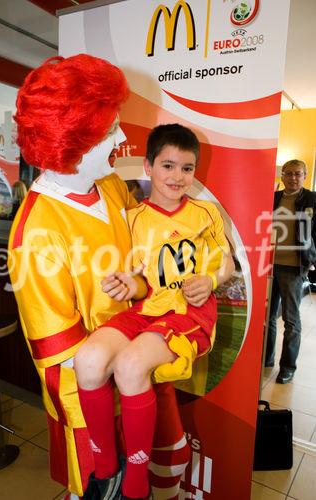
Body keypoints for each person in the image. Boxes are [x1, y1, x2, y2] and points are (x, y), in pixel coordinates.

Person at [7, 55, 197, 500]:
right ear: (73, 140)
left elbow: (146, 254)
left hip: (142, 360)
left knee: (167, 461)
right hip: (97, 398)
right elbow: (59, 351)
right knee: (103, 487)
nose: (122, 137)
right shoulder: (35, 231)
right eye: (110, 129)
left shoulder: (111, 185)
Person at [75, 124, 235, 500]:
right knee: (89, 358)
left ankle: (134, 488)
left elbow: (226, 264)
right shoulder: (132, 219)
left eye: (187, 168)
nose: (177, 177)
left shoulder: (205, 213)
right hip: (147, 310)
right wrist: (131, 286)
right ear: (148, 167)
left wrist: (211, 281)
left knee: (131, 366)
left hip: (189, 314)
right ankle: (105, 473)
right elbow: (141, 281)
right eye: (168, 166)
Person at [265, 159, 316, 383]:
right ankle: (266, 359)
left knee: (291, 321)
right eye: (288, 173)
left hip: (294, 268)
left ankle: (288, 367)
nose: (293, 178)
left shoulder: (312, 199)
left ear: (304, 176)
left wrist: (312, 259)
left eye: (298, 174)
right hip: (268, 265)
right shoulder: (273, 198)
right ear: (282, 176)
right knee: (267, 318)